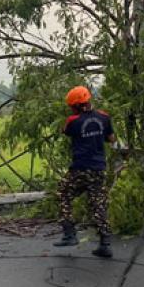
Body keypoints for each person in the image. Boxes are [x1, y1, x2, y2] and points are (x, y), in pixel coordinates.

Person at [52, 85, 116, 258]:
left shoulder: (73, 121)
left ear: (76, 105)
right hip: (99, 168)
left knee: (63, 194)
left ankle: (69, 234)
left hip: (80, 168)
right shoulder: (104, 117)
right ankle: (105, 243)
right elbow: (111, 139)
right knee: (97, 203)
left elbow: (65, 132)